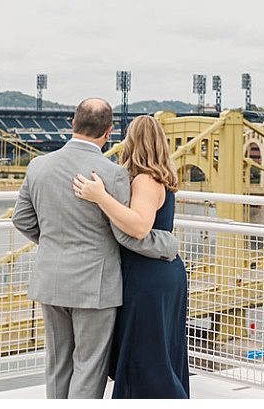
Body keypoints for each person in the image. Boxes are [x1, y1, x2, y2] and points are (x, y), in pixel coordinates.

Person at [11, 99, 179, 399]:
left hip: (51, 279)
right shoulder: (112, 174)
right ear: (108, 132)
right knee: (89, 366)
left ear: (72, 124)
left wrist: (54, 243)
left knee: (57, 364)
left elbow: (21, 219)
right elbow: (128, 236)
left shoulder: (38, 166)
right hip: (95, 286)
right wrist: (167, 243)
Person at [72, 114, 190, 399]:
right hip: (157, 274)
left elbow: (138, 227)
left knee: (147, 359)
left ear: (131, 141)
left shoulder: (146, 180)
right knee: (159, 351)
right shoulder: (154, 177)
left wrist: (99, 196)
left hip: (147, 277)